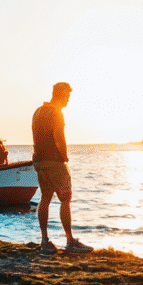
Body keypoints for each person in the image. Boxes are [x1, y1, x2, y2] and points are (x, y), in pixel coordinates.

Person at [33, 82, 92, 254]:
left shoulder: (38, 112)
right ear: (60, 94)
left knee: (45, 198)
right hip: (54, 161)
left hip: (39, 161)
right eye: (67, 96)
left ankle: (44, 241)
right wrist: (64, 156)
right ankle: (70, 241)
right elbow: (59, 136)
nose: (68, 99)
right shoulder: (56, 113)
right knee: (65, 198)